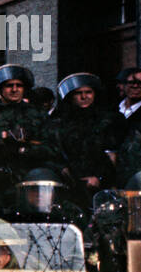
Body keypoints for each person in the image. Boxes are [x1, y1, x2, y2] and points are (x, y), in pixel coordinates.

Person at [0, 64, 60, 215]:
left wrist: (24, 149)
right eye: (9, 85)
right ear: (0, 88)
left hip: (32, 185)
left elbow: (53, 147)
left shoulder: (38, 115)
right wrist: (3, 137)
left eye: (19, 85)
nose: (14, 89)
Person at [50, 72, 123, 211]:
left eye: (88, 92)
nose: (84, 97)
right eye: (78, 93)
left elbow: (114, 153)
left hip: (103, 182)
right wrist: (64, 170)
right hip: (69, 183)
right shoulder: (59, 123)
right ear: (70, 96)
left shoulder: (110, 120)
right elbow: (54, 151)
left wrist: (99, 177)